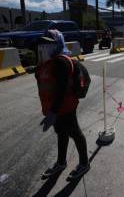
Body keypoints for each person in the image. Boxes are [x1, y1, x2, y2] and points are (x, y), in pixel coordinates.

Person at [35, 29, 90, 180]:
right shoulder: (47, 62)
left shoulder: (60, 61)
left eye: (47, 43)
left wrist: (53, 112)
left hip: (65, 106)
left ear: (57, 43)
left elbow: (61, 89)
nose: (42, 46)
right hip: (53, 108)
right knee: (61, 133)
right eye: (42, 43)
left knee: (75, 133)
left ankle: (84, 164)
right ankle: (61, 162)